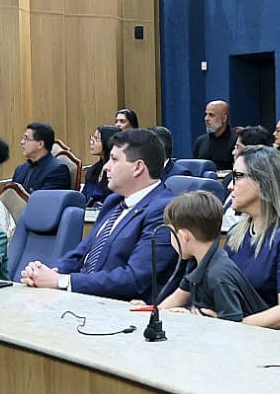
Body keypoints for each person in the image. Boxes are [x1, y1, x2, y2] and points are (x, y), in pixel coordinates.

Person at [21, 128, 177, 299]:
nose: (106, 167)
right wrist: (49, 273)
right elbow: (82, 252)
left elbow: (135, 279)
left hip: (121, 308)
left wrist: (62, 281)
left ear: (138, 167)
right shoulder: (114, 202)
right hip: (82, 299)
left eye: (114, 160)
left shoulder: (164, 210)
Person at [222, 147, 280, 334]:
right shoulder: (236, 234)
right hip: (244, 331)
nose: (230, 186)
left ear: (263, 183)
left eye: (237, 177)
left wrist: (236, 327)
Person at [154, 191, 269, 322]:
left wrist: (193, 318)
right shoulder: (196, 262)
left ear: (184, 237)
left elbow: (233, 324)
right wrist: (150, 314)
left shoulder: (217, 276)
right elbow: (177, 298)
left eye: (171, 233)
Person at [11, 122, 73, 191]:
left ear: (40, 144)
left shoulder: (58, 170)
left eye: (26, 139)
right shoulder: (20, 169)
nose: (22, 142)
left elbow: (45, 197)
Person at [80, 124, 120, 207]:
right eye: (92, 138)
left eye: (96, 139)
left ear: (108, 142)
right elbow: (83, 198)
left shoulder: (117, 172)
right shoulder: (93, 170)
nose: (91, 142)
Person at [192, 99, 234, 172]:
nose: (206, 119)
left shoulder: (236, 141)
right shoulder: (200, 141)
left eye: (211, 115)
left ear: (224, 118)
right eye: (206, 114)